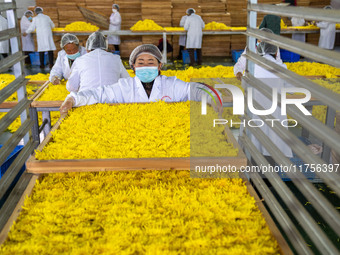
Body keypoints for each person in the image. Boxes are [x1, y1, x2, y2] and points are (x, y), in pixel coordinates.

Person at [60, 44, 211, 114]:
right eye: (141, 63)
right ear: (133, 67)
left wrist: (210, 97)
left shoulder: (171, 84)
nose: (145, 66)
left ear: (159, 66)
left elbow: (194, 89)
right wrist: (73, 99)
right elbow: (97, 94)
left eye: (151, 62)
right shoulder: (123, 86)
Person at [249, 39, 293, 161]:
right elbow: (293, 89)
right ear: (275, 52)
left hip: (256, 116)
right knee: (273, 152)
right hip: (275, 117)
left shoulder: (253, 66)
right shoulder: (281, 68)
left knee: (255, 148)